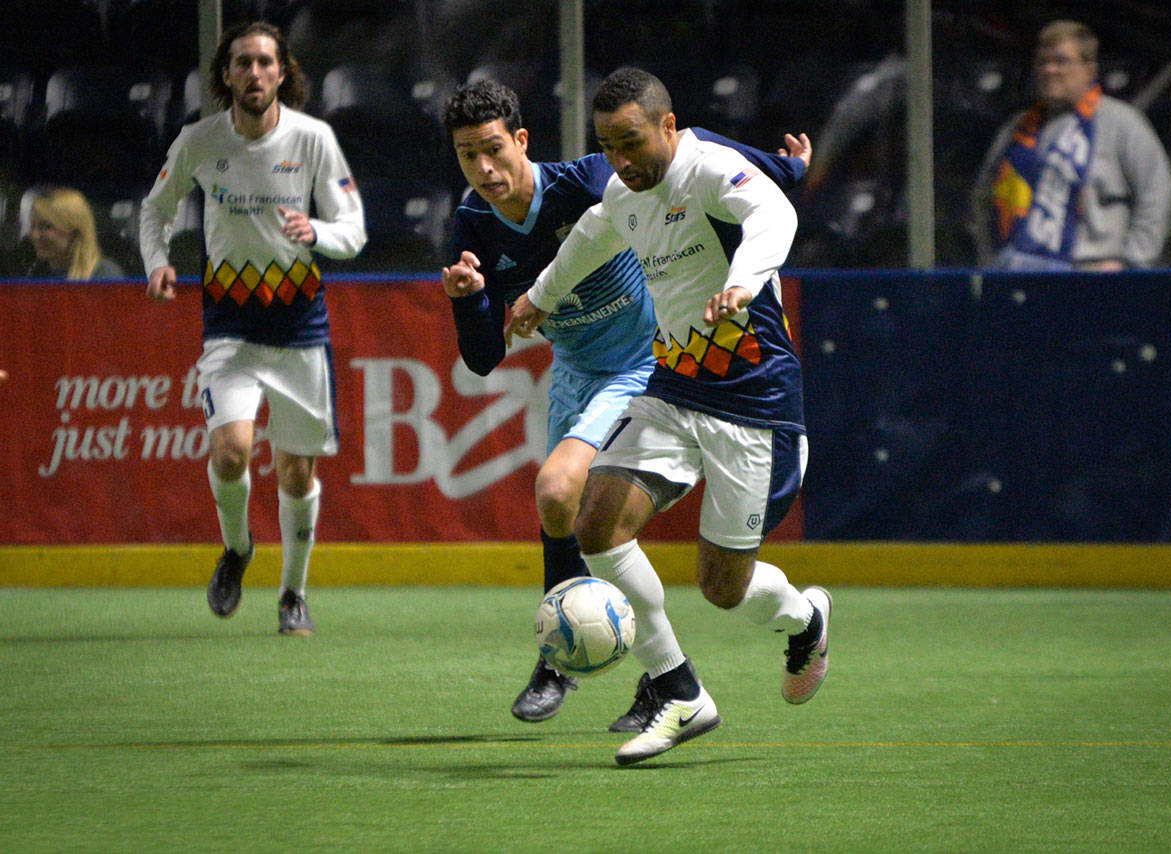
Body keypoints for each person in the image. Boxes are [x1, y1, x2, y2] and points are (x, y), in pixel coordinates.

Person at [441, 78, 811, 729]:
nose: (621, 160)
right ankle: (668, 685)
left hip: (709, 386)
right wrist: (517, 299)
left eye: (632, 142)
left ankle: (801, 621)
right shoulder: (598, 193)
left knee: (716, 582)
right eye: (609, 146)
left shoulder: (665, 172)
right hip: (629, 381)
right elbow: (588, 238)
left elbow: (765, 205)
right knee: (581, 514)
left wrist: (762, 238)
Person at [138, 21, 367, 635]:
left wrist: (316, 232)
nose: (256, 73)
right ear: (226, 75)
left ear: (283, 72)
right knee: (232, 449)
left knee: (296, 473)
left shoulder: (313, 139)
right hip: (230, 327)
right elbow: (154, 211)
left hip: (299, 329)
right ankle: (238, 550)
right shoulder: (199, 140)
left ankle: (293, 593)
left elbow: (354, 229)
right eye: (243, 62)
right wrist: (158, 264)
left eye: (266, 62)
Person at [970, 20, 1171, 272]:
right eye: (1042, 62)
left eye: (1061, 61)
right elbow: (983, 199)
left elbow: (1158, 196)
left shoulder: (1121, 123)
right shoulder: (1017, 128)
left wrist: (1130, 263)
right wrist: (990, 260)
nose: (1050, 70)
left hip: (1091, 275)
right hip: (1017, 273)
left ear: (1089, 70)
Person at [24, 187, 124, 280]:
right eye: (33, 226)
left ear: (76, 232)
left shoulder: (104, 275)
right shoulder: (33, 273)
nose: (34, 235)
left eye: (46, 227)